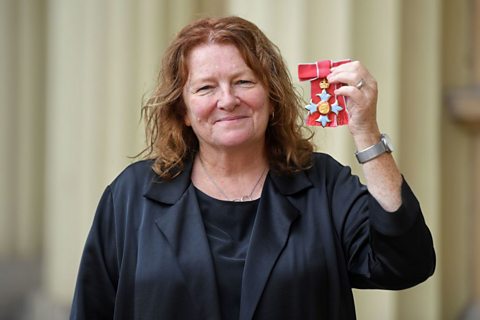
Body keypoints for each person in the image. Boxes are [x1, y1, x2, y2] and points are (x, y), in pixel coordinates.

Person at [70, 16, 435, 320]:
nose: (227, 100)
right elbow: (92, 308)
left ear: (272, 98)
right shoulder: (131, 196)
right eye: (205, 88)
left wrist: (366, 133)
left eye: (244, 81)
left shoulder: (322, 184)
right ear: (182, 110)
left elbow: (405, 263)